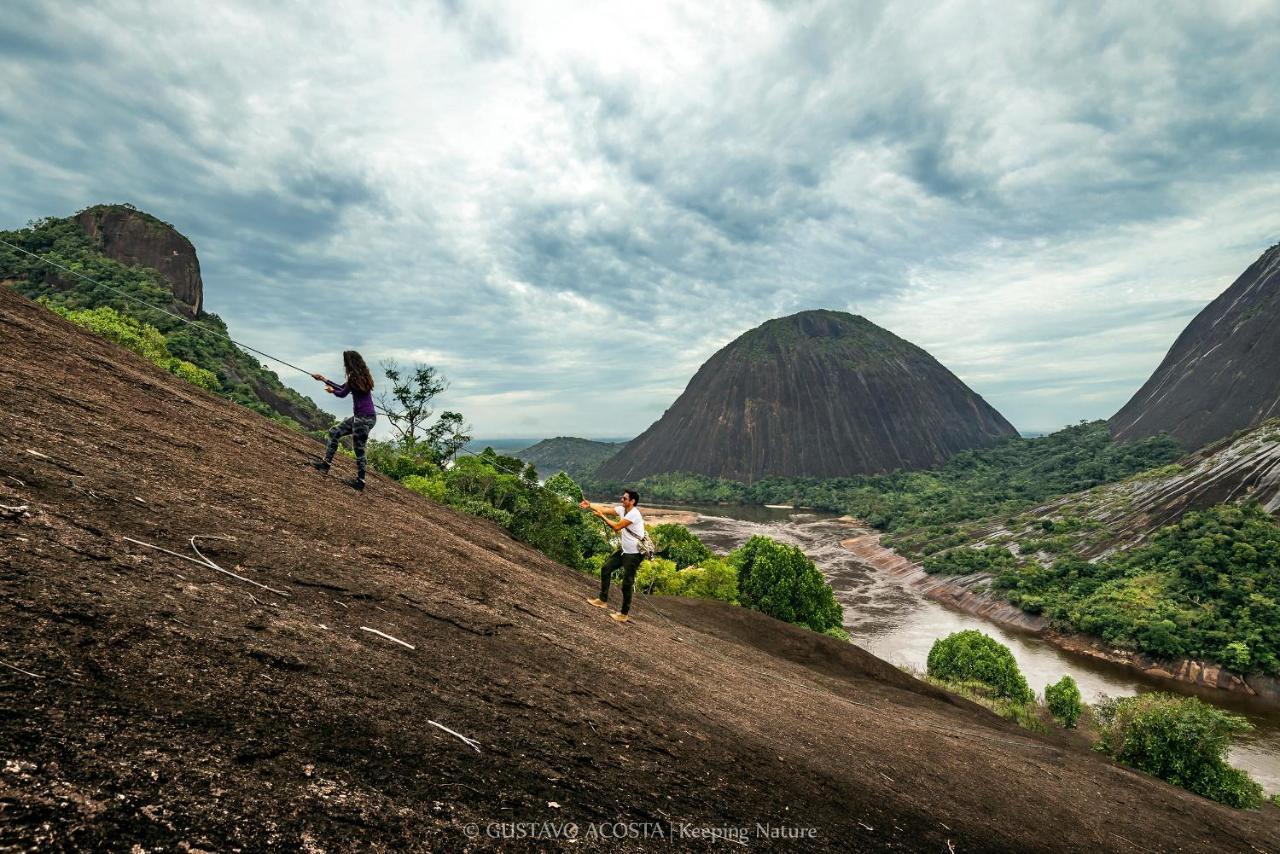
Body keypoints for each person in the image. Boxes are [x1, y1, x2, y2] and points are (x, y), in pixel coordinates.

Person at [310, 351, 376, 491]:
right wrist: (323, 379)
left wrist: (331, 391)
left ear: (349, 363)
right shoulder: (363, 376)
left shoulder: (354, 377)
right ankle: (325, 464)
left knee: (359, 449)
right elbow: (343, 387)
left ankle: (361, 481)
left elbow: (341, 393)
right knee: (334, 432)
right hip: (366, 417)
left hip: (362, 419)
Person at [579, 489, 646, 623]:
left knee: (627, 584)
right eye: (622, 498)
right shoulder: (622, 509)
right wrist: (590, 505)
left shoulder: (634, 514)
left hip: (634, 554)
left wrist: (601, 517)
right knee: (606, 568)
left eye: (625, 498)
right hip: (624, 550)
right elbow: (605, 509)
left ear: (632, 501)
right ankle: (602, 600)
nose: (622, 500)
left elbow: (616, 527)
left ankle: (624, 614)